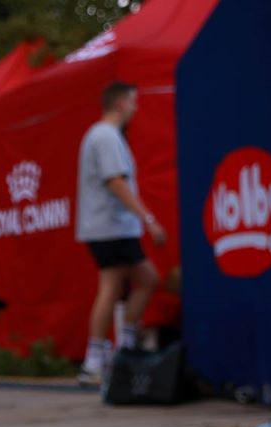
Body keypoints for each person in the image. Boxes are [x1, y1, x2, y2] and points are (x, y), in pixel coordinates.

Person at [75, 81, 166, 384]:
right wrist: (148, 218)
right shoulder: (105, 136)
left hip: (111, 226)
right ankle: (97, 361)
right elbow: (116, 182)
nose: (136, 108)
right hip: (110, 226)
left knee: (143, 279)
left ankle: (116, 352)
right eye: (133, 101)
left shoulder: (103, 136)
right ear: (120, 103)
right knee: (112, 286)